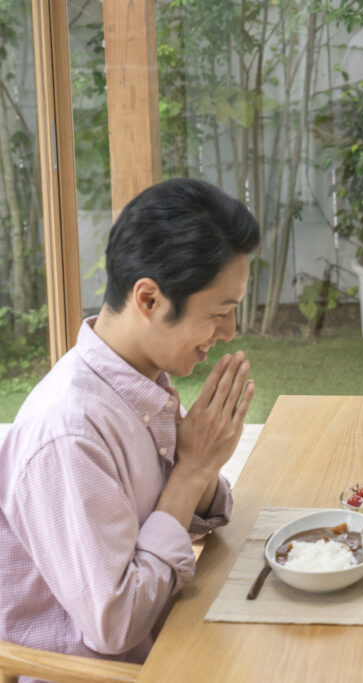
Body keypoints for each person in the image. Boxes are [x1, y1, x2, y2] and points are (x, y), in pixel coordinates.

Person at [0, 178, 260, 667]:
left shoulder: (137, 381)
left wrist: (200, 465)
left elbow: (201, 513)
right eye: (221, 312)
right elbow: (117, 625)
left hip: (175, 642)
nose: (229, 332)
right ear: (148, 300)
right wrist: (190, 472)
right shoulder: (68, 433)